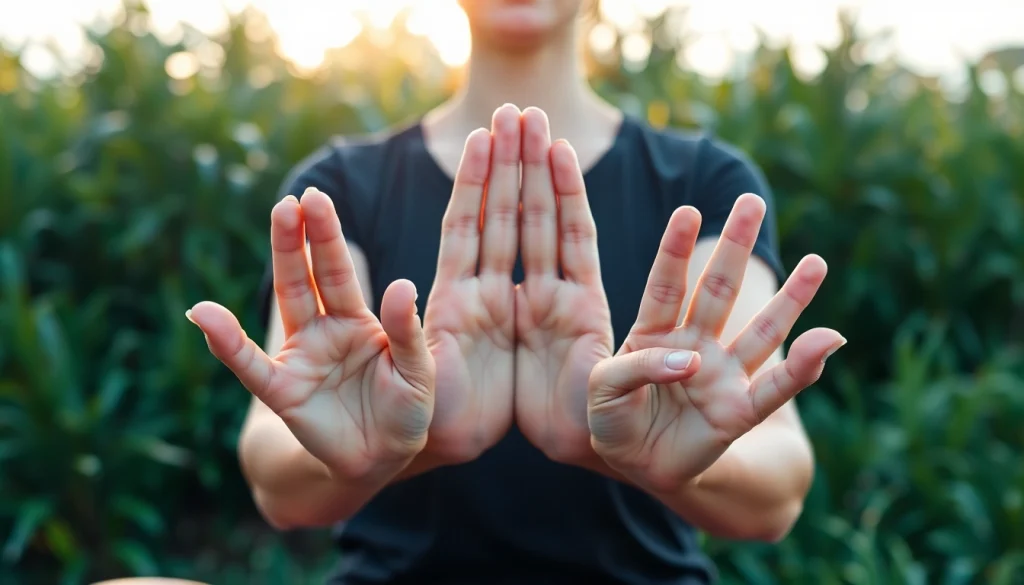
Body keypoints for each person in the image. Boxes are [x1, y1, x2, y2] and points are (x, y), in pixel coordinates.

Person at [186, 1, 846, 583]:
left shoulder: (702, 183)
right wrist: (409, 441)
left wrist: (643, 453)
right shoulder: (342, 187)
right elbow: (279, 479)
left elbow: (776, 489)